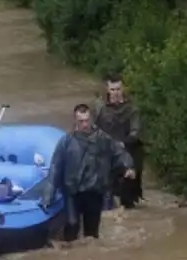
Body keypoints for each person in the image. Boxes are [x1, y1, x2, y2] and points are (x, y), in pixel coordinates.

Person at [43, 104, 135, 242]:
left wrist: (128, 166)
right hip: (73, 192)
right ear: (75, 121)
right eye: (81, 121)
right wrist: (48, 195)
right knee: (72, 226)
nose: (85, 125)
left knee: (91, 234)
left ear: (91, 119)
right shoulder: (66, 142)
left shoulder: (103, 139)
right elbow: (56, 167)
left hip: (94, 191)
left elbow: (119, 152)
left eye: (87, 120)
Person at [94, 73, 143, 209]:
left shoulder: (132, 108)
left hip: (129, 149)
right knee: (105, 191)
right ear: (108, 89)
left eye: (118, 89)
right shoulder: (100, 108)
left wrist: (124, 143)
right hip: (107, 150)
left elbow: (136, 131)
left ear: (123, 89)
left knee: (128, 196)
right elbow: (93, 129)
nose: (116, 93)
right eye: (113, 89)